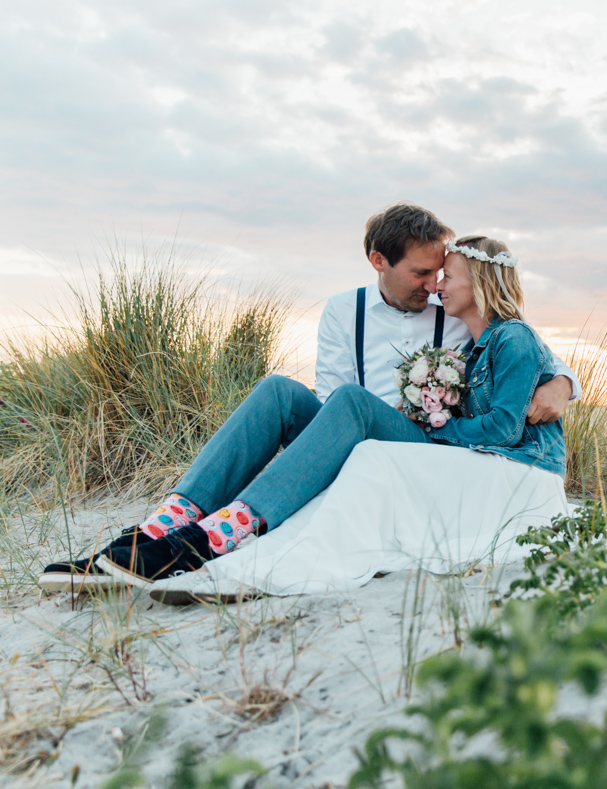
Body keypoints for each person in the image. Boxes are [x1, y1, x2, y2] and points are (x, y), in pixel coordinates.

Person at [37, 204, 578, 594]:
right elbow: (325, 395)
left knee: (349, 401)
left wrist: (564, 385)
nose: (433, 284)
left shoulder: (459, 311)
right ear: (378, 261)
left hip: (416, 439)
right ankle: (157, 528)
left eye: (440, 272)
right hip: (348, 424)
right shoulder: (346, 310)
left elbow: (532, 354)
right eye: (421, 272)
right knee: (278, 390)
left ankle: (220, 534)